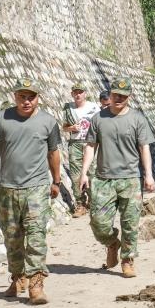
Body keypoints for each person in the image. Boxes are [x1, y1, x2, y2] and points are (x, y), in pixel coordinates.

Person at [0, 78, 62, 304]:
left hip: (36, 188)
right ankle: (18, 276)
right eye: (22, 96)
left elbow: (53, 153)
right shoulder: (1, 118)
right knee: (12, 239)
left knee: (36, 236)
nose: (27, 101)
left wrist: (56, 181)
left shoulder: (48, 122)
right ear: (15, 97)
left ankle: (36, 283)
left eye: (31, 97)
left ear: (38, 98)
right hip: (8, 189)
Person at [78, 77, 155, 278]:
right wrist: (84, 172)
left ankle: (128, 260)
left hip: (130, 179)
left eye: (123, 95)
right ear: (110, 95)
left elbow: (144, 148)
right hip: (103, 180)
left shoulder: (137, 119)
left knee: (130, 223)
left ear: (129, 97)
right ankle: (112, 243)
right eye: (115, 95)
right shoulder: (98, 119)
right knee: (98, 222)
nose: (119, 98)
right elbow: (90, 146)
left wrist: (148, 175)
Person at [62, 84, 99, 217]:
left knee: (92, 173)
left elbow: (100, 124)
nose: (78, 95)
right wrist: (71, 128)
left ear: (85, 94)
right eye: (75, 92)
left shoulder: (94, 107)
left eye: (80, 92)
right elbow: (64, 127)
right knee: (75, 175)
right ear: (72, 94)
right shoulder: (69, 108)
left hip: (91, 143)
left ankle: (94, 202)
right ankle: (80, 204)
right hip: (75, 143)